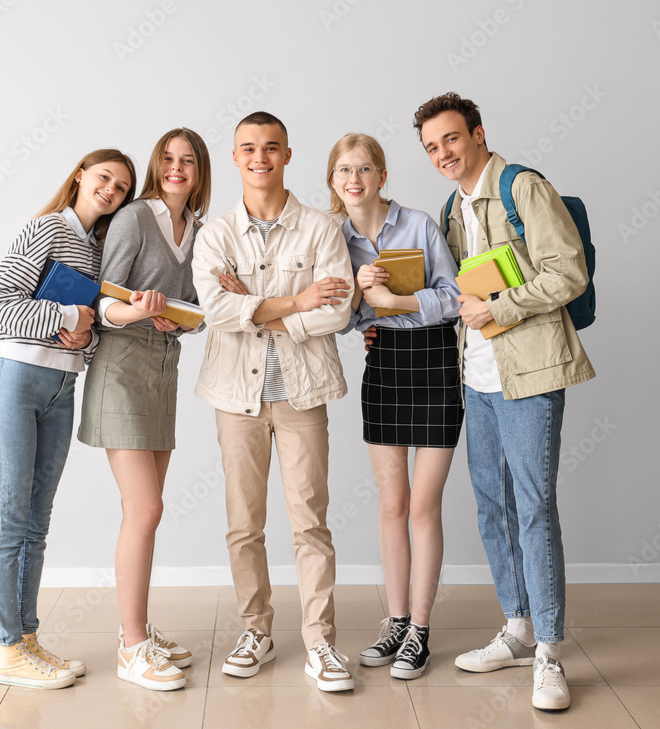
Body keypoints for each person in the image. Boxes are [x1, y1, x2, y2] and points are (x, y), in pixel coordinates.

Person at [413, 92, 595, 710]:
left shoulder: (523, 188)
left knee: (535, 506)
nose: (443, 153)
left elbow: (568, 271)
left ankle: (548, 650)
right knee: (493, 504)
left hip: (533, 373)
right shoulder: (452, 206)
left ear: (478, 134)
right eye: (432, 147)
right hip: (478, 375)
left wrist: (500, 308)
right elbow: (452, 291)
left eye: (452, 140)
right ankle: (516, 626)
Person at [192, 112, 356, 692]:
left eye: (270, 148)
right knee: (244, 524)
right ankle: (255, 631)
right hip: (235, 396)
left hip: (302, 393)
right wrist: (293, 300)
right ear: (235, 158)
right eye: (247, 149)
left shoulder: (320, 228)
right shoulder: (216, 234)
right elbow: (217, 311)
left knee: (310, 522)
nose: (259, 158)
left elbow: (336, 310)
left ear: (288, 154)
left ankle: (320, 642)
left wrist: (256, 303)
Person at [0, 149, 137, 689]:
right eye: (103, 177)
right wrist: (68, 316)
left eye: (122, 186)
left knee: (37, 523)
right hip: (17, 381)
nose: (111, 189)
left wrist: (83, 335)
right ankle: (8, 652)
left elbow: (88, 332)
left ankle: (27, 640)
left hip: (62, 387)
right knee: (9, 519)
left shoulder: (97, 249)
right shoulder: (46, 228)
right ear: (79, 177)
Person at [78, 128, 211, 692]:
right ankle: (132, 646)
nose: (177, 168)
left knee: (147, 511)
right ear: (158, 166)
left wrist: (189, 310)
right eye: (168, 159)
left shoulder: (200, 232)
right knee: (146, 509)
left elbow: (198, 309)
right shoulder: (134, 217)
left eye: (187, 161)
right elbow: (103, 300)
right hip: (122, 367)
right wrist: (140, 311)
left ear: (201, 171)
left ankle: (140, 631)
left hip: (164, 368)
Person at [327, 133, 462, 680]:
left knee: (423, 507)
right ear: (332, 181)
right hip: (382, 363)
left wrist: (394, 301)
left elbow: (456, 299)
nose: (353, 179)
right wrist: (362, 299)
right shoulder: (334, 238)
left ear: (382, 174)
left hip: (433, 363)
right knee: (391, 506)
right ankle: (397, 621)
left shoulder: (419, 224)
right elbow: (341, 318)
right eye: (342, 171)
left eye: (363, 168)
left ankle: (421, 632)